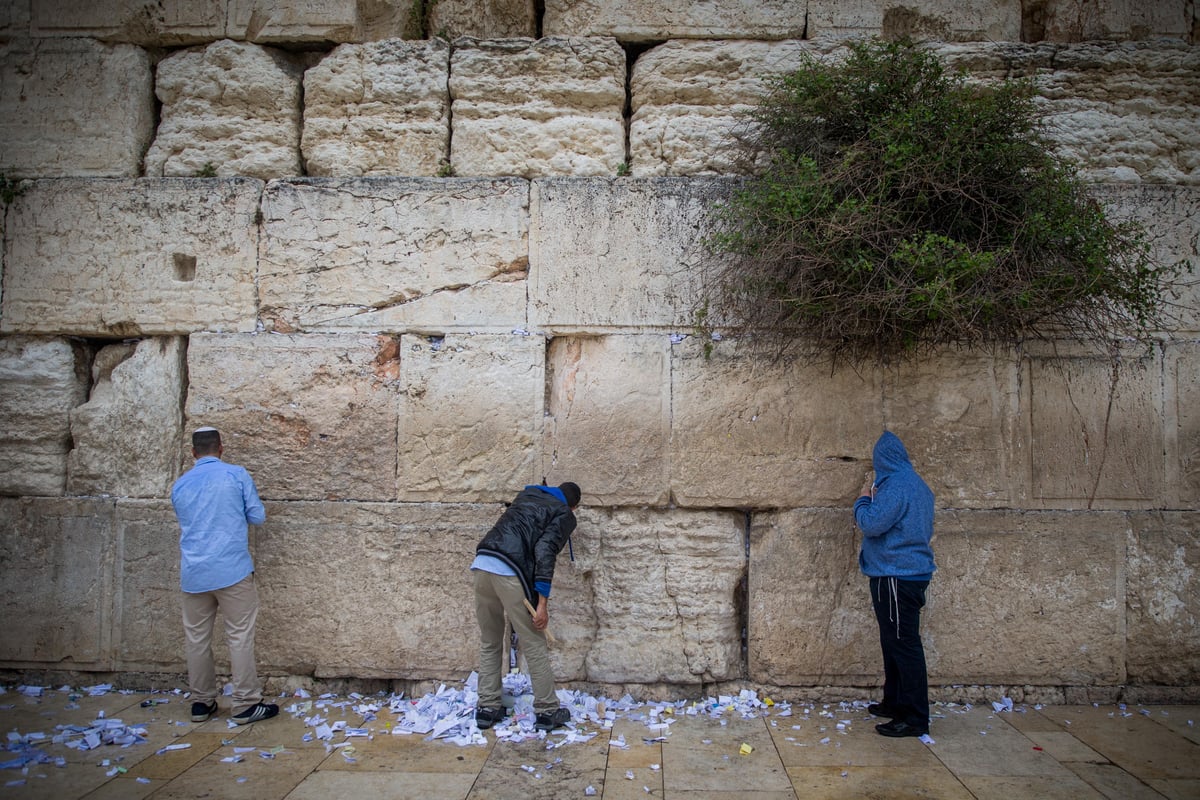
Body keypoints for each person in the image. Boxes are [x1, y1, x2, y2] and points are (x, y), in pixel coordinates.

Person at [170, 426, 278, 726]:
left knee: (196, 638)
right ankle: (245, 703)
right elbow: (257, 516)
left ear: (193, 453)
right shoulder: (236, 475)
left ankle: (201, 702)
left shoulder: (180, 485)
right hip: (231, 569)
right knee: (240, 635)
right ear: (221, 448)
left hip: (193, 573)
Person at [471, 482, 581, 732]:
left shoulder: (527, 494)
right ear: (574, 506)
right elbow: (545, 551)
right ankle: (547, 710)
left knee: (490, 640)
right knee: (534, 641)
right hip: (510, 571)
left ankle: (487, 708)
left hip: (482, 562)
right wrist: (542, 604)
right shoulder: (563, 513)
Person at [853, 431, 935, 738]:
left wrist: (863, 498)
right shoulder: (919, 486)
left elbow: (871, 523)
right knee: (894, 642)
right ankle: (894, 701)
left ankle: (914, 718)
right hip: (908, 574)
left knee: (904, 645)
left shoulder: (896, 487)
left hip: (895, 575)